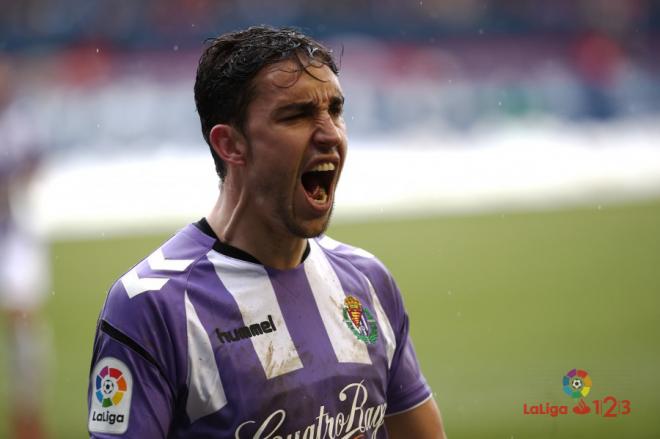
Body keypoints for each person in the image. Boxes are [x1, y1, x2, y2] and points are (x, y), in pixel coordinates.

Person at [87, 26, 447, 438]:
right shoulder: (151, 306)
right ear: (231, 145)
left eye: (335, 110)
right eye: (297, 115)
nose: (330, 133)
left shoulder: (368, 281)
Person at [1, 59, 51, 439]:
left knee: (23, 319)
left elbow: (35, 164)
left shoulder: (19, 123)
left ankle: (28, 410)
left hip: (13, 234)